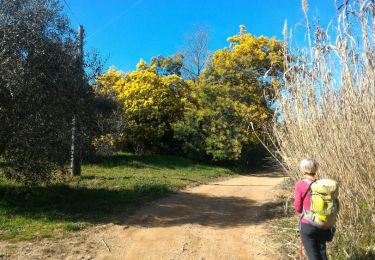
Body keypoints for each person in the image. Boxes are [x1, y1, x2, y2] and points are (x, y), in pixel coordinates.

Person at [294, 159, 330, 260]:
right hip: (322, 223)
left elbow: (297, 207)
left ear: (303, 170)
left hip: (307, 224)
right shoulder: (321, 184)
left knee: (313, 255)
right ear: (315, 169)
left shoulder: (300, 185)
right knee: (322, 253)